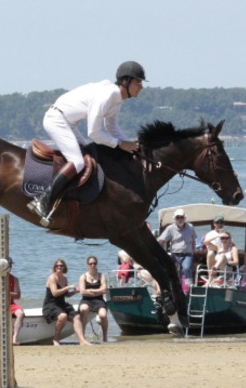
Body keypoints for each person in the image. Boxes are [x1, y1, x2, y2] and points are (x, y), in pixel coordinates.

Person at [28, 61, 146, 225]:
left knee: (87, 154)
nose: (141, 86)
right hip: (56, 120)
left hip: (68, 122)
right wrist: (120, 144)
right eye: (138, 82)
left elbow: (111, 127)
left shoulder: (117, 99)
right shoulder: (107, 96)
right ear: (125, 81)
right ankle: (43, 200)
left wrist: (130, 144)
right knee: (77, 162)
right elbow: (94, 133)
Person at [42, 259, 90, 346]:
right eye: (57, 266)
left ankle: (82, 340)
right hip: (51, 304)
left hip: (62, 304)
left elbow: (66, 295)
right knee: (63, 316)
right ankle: (56, 339)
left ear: (64, 267)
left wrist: (75, 291)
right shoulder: (52, 277)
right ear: (54, 267)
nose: (59, 267)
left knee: (77, 316)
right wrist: (67, 287)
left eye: (61, 265)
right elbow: (55, 293)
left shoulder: (64, 279)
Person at [0, 257, 25, 345]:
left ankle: (14, 338)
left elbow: (18, 295)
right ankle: (2, 338)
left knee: (21, 313)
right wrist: (10, 293)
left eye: (11, 264)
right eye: (8, 264)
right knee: (4, 314)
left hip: (11, 304)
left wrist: (5, 292)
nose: (10, 266)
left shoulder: (14, 279)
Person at [158, 208, 196, 287]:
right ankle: (177, 289)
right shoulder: (170, 228)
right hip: (175, 254)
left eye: (181, 217)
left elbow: (193, 240)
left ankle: (189, 286)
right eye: (177, 217)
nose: (180, 219)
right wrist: (154, 248)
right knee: (177, 272)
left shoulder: (190, 227)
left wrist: (193, 250)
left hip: (187, 254)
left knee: (186, 268)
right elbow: (161, 240)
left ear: (184, 218)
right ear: (175, 219)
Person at [78, 256, 109, 342]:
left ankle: (105, 337)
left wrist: (91, 290)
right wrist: (97, 291)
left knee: (103, 315)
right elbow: (82, 291)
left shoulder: (101, 276)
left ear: (96, 264)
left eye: (94, 263)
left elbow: (104, 290)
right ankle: (82, 337)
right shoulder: (83, 276)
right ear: (87, 264)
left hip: (99, 300)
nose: (92, 265)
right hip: (86, 300)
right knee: (84, 310)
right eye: (90, 263)